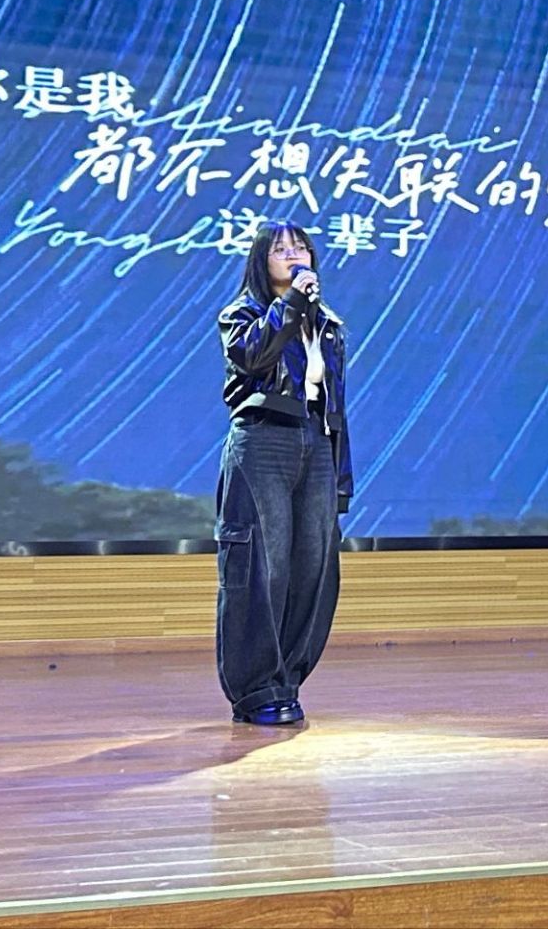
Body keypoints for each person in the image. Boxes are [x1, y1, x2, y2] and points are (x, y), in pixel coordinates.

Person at [215, 221, 354, 726]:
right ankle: (255, 690)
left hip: (315, 442)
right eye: (281, 249)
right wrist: (292, 303)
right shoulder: (242, 314)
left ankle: (287, 680)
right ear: (261, 261)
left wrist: (341, 477)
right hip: (264, 439)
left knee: (312, 567)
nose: (294, 255)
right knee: (261, 565)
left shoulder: (327, 324)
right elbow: (255, 356)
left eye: (301, 247)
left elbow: (334, 406)